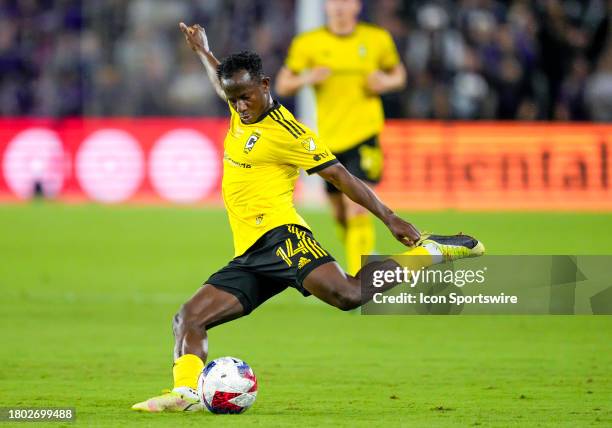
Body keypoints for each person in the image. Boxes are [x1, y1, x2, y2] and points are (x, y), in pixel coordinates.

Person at [131, 22, 483, 412]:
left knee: (348, 295)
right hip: (250, 253)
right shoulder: (238, 104)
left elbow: (340, 175)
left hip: (282, 237)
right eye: (234, 100)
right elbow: (222, 82)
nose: (240, 107)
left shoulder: (289, 132)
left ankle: (429, 252)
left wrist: (391, 218)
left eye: (246, 97)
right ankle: (185, 394)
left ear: (265, 85)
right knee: (188, 318)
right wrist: (202, 49)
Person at [275, 0, 407, 275]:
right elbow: (283, 84)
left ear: (357, 6)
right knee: (339, 213)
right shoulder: (308, 43)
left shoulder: (376, 39)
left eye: (346, 1)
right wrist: (308, 77)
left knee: (357, 209)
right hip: (329, 141)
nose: (339, 6)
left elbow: (399, 75)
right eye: (333, 1)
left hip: (364, 134)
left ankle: (363, 278)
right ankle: (365, 255)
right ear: (325, 7)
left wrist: (385, 82)